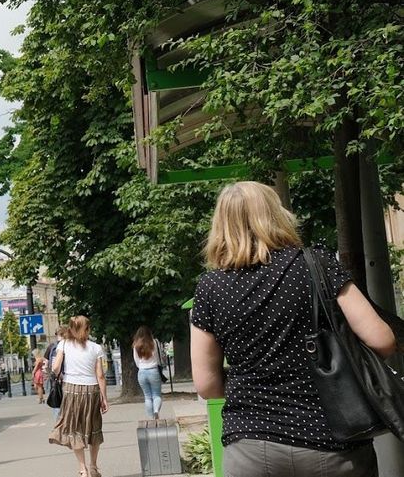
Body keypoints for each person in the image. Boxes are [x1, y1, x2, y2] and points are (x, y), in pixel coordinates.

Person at [191, 181, 395, 477]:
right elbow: (382, 340)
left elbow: (206, 384)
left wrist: (252, 384)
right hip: (332, 441)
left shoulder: (210, 288)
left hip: (251, 444)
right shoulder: (317, 265)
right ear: (277, 215)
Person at [48, 315, 108, 477]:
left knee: (74, 429)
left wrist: (60, 375)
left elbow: (55, 368)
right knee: (94, 427)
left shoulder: (64, 344)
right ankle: (93, 466)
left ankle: (83, 469)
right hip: (92, 391)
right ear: (86, 329)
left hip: (71, 390)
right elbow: (100, 375)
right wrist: (104, 398)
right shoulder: (96, 348)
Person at [132, 326, 163, 420]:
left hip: (141, 372)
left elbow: (136, 361)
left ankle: (151, 418)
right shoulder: (154, 342)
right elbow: (158, 357)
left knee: (147, 397)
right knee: (156, 395)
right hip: (153, 370)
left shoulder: (136, 345)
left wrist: (142, 366)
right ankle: (156, 411)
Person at [44, 326, 68, 418]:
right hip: (68, 379)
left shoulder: (51, 347)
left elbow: (46, 365)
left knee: (57, 402)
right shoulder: (69, 346)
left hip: (55, 380)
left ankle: (59, 423)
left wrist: (50, 373)